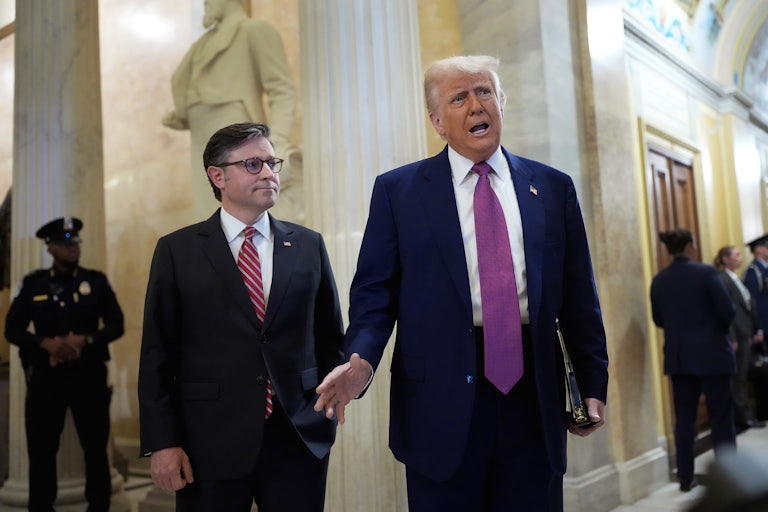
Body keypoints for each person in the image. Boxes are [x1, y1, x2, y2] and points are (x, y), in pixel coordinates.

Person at [314, 55, 609, 511]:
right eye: (459, 97)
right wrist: (361, 361)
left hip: (534, 394)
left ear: (502, 103)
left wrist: (592, 383)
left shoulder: (552, 187)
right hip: (439, 398)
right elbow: (375, 294)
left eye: (485, 92)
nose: (476, 105)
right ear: (437, 121)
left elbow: (578, 296)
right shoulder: (400, 191)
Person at [138, 122, 344, 512]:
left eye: (272, 163)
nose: (268, 173)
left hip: (297, 439)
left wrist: (327, 410)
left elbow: (330, 335)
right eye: (253, 164)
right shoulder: (177, 251)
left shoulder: (307, 245)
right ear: (218, 175)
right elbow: (156, 355)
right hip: (208, 442)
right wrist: (163, 442)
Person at [5, 217, 125, 512]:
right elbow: (12, 330)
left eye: (76, 243)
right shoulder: (33, 284)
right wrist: (45, 344)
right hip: (47, 379)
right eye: (65, 243)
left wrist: (85, 340)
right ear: (51, 248)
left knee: (96, 450)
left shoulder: (95, 281)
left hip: (89, 378)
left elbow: (116, 325)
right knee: (42, 452)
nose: (73, 248)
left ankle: (98, 507)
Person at [163, 0, 301, 221]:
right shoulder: (201, 44)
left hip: (239, 129)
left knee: (248, 208)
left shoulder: (253, 31)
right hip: (202, 136)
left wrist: (278, 141)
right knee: (209, 212)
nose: (205, 3)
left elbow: (281, 89)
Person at [650, 229, 737, 493]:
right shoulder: (707, 273)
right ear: (690, 245)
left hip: (680, 359)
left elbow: (658, 320)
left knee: (684, 420)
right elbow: (728, 311)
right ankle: (729, 477)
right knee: (721, 417)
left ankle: (686, 478)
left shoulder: (659, 280)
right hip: (713, 355)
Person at [714, 245, 765, 429]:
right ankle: (744, 417)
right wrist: (732, 337)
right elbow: (727, 311)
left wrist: (755, 330)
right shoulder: (722, 279)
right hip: (738, 334)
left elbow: (748, 305)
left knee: (743, 374)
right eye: (735, 255)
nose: (740, 258)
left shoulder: (736, 278)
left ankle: (745, 414)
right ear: (725, 259)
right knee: (739, 377)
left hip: (747, 333)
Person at [744, 233, 768, 335]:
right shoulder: (753, 271)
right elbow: (754, 301)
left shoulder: (764, 268)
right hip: (765, 323)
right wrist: (759, 328)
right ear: (758, 250)